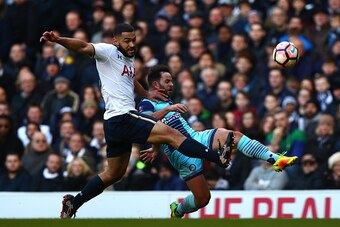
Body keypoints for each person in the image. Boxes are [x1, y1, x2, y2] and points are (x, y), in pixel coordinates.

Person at [40, 23, 234, 218]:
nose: (132, 44)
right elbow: (83, 47)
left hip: (113, 123)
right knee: (172, 134)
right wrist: (58, 40)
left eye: (134, 39)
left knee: (114, 174)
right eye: (127, 40)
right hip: (124, 116)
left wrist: (147, 94)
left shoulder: (128, 58)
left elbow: (130, 81)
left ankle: (74, 203)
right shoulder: (107, 51)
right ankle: (218, 158)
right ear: (115, 40)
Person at [137, 65, 298, 218]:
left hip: (196, 137)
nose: (172, 84)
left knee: (234, 136)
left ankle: (276, 159)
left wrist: (155, 147)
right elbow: (145, 122)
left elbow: (159, 130)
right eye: (167, 81)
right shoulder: (146, 103)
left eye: (172, 80)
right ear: (156, 84)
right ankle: (177, 210)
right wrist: (167, 112)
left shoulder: (166, 101)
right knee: (202, 199)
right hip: (181, 154)